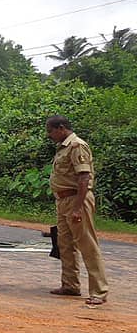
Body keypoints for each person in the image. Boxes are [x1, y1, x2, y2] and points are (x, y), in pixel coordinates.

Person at [46, 115, 108, 305]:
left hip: (76, 199)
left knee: (87, 244)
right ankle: (70, 285)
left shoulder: (77, 146)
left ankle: (99, 291)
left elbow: (84, 178)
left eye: (51, 131)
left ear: (61, 128)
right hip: (63, 200)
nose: (49, 135)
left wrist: (78, 208)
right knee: (65, 244)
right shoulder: (63, 148)